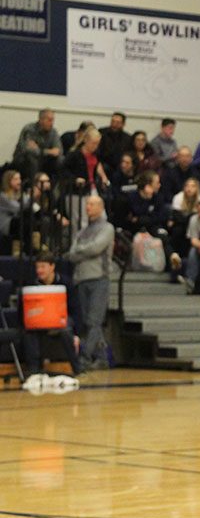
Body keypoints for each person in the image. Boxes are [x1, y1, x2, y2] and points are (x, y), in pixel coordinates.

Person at [63, 195, 114, 370]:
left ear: (100, 207)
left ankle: (84, 358)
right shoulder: (82, 231)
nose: (88, 207)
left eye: (92, 204)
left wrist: (80, 252)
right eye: (87, 204)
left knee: (94, 321)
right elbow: (71, 253)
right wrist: (83, 252)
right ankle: (102, 358)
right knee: (87, 322)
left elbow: (96, 247)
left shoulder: (107, 228)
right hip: (81, 278)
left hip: (99, 278)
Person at [21, 251, 81, 377]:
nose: (39, 270)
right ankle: (34, 369)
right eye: (37, 267)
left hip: (60, 319)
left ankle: (77, 368)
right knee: (28, 330)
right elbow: (23, 309)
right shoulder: (32, 284)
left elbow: (76, 309)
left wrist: (77, 333)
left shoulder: (66, 283)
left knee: (66, 330)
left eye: (42, 266)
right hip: (39, 319)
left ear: (52, 266)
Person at [14, 108, 63, 181]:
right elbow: (29, 150)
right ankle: (33, 188)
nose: (52, 123)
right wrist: (49, 151)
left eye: (53, 120)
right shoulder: (29, 129)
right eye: (49, 120)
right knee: (32, 159)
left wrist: (41, 151)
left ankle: (54, 190)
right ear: (41, 119)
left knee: (60, 160)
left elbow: (59, 151)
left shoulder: (53, 132)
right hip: (23, 160)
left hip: (44, 160)